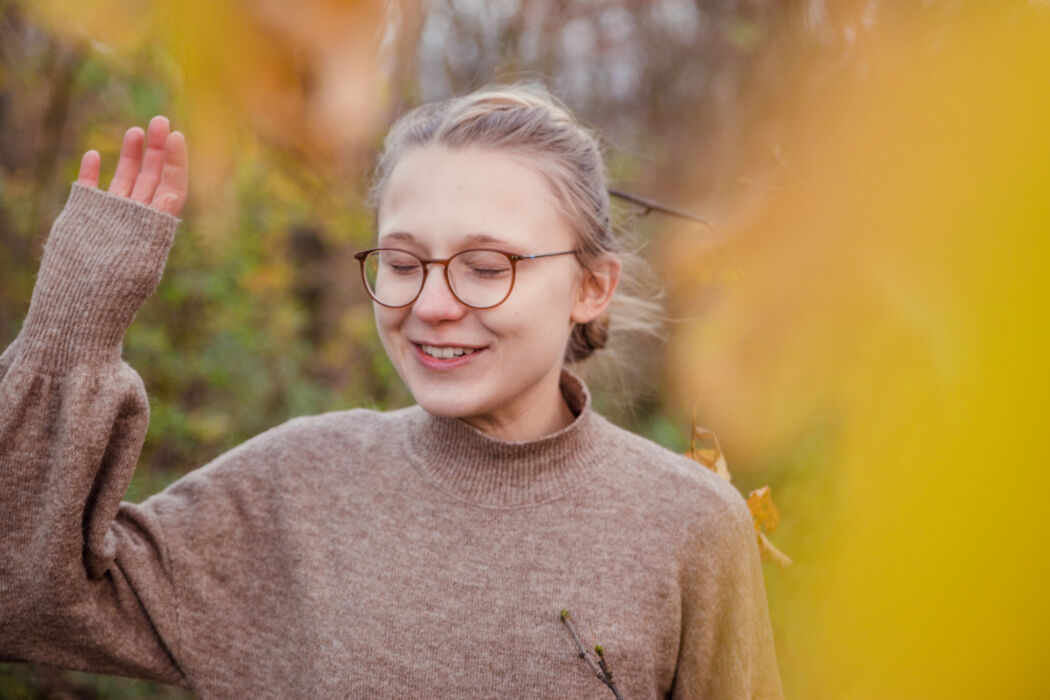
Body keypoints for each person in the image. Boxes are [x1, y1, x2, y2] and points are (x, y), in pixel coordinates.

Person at [0, 84, 783, 698]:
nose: (431, 304)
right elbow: (28, 598)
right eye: (403, 263)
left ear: (591, 287)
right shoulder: (297, 487)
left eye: (487, 267)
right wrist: (77, 320)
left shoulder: (689, 526)